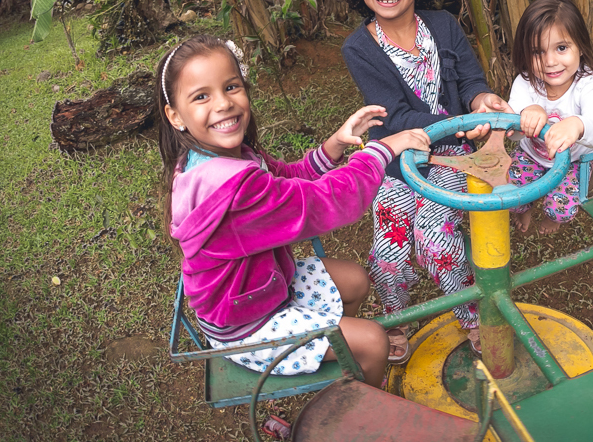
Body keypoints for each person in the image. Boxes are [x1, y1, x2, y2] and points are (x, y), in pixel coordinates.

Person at [158, 34, 430, 389]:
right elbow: (326, 203)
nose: (223, 104)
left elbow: (286, 177)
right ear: (175, 116)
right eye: (201, 96)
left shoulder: (218, 156)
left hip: (261, 285)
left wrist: (333, 145)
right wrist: (383, 149)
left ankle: (340, 359)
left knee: (356, 280)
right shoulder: (233, 189)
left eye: (231, 86)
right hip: (247, 324)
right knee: (375, 341)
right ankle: (363, 407)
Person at [339, 0, 512, 363]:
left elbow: (472, 81)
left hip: (454, 159)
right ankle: (396, 318)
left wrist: (483, 99)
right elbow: (393, 115)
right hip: (398, 161)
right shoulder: (359, 47)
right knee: (389, 251)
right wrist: (459, 121)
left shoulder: (443, 25)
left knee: (434, 239)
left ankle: (474, 316)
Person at [507, 0, 593, 235]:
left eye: (561, 48)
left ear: (580, 46)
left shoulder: (590, 84)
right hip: (532, 154)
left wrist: (577, 124)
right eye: (537, 52)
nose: (550, 61)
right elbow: (511, 134)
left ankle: (554, 219)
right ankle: (524, 208)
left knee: (560, 209)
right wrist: (524, 116)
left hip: (573, 162)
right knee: (512, 195)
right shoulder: (525, 83)